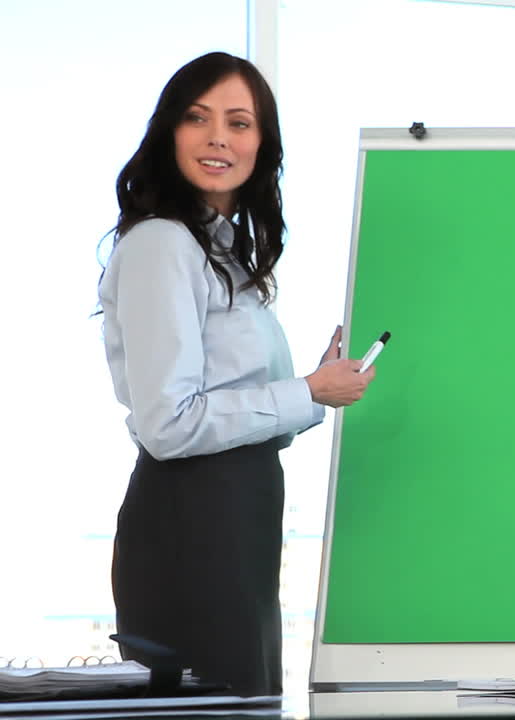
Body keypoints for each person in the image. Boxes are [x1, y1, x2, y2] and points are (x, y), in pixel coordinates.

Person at [98, 52, 374, 696]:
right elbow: (169, 425)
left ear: (261, 145)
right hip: (192, 522)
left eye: (239, 122)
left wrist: (314, 388)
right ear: (170, 134)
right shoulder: (164, 243)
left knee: (243, 699)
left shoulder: (217, 251)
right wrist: (307, 392)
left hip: (234, 518)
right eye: (198, 118)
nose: (219, 136)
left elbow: (236, 414)